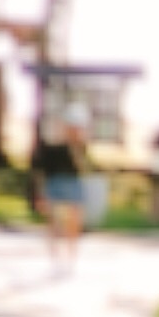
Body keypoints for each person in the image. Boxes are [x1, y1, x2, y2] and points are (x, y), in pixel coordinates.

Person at [32, 116, 90, 272]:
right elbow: (42, 171)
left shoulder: (79, 147)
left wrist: (74, 147)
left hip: (73, 183)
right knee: (54, 221)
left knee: (74, 220)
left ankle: (72, 255)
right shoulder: (51, 148)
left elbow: (83, 168)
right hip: (55, 183)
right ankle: (55, 257)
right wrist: (40, 193)